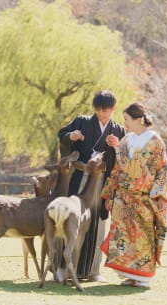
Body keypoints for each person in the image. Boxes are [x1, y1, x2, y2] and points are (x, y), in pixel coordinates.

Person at [100, 102, 167, 288]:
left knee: (143, 236)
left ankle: (143, 276)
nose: (124, 123)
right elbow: (118, 168)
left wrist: (157, 194)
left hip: (144, 196)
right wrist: (110, 193)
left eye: (127, 119)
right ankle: (129, 273)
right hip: (123, 197)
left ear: (138, 119)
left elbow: (158, 170)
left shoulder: (155, 140)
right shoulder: (127, 139)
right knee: (124, 234)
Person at [57, 90, 126, 282]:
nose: (101, 114)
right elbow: (61, 134)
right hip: (79, 179)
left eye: (105, 110)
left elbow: (127, 156)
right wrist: (72, 136)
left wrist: (117, 146)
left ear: (113, 109)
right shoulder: (81, 121)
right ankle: (62, 269)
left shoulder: (119, 130)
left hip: (102, 182)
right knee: (72, 221)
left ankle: (92, 271)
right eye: (98, 110)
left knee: (97, 224)